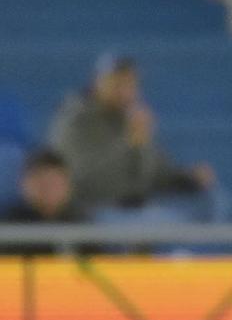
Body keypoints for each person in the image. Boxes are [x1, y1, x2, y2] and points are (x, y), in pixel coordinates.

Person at [47, 54, 215, 215]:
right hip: (94, 209)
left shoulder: (130, 116)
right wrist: (129, 144)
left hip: (140, 206)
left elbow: (156, 173)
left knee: (212, 198)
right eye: (116, 82)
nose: (124, 90)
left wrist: (187, 178)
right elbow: (84, 180)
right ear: (96, 82)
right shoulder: (74, 121)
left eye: (130, 83)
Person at [0, 149, 87, 254]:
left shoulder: (84, 225)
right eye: (41, 182)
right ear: (24, 183)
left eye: (54, 182)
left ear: (68, 184)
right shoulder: (10, 227)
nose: (48, 189)